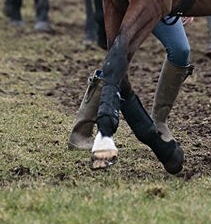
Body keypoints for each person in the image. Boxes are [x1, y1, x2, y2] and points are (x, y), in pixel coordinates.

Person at [68, 17, 193, 150]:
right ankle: (81, 132)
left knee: (181, 51)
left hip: (162, 7)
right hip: (131, 7)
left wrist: (186, 6)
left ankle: (160, 122)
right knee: (119, 55)